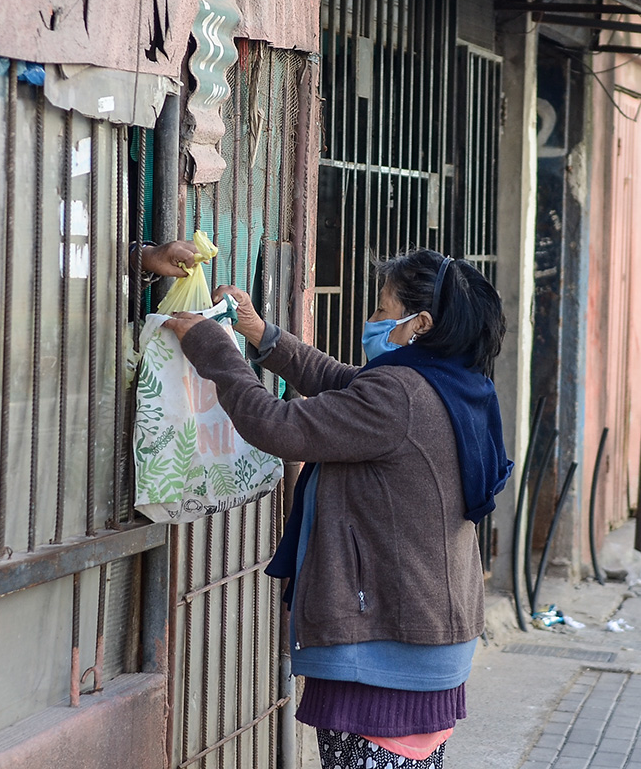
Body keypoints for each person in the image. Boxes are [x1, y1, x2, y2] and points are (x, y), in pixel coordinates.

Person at [162, 248, 512, 769]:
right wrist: (261, 334)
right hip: (430, 635)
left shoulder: (400, 395)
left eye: (380, 310)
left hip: (387, 647)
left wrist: (215, 349)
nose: (370, 321)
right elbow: (347, 385)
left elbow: (278, 427)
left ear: (419, 325)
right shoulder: (456, 384)